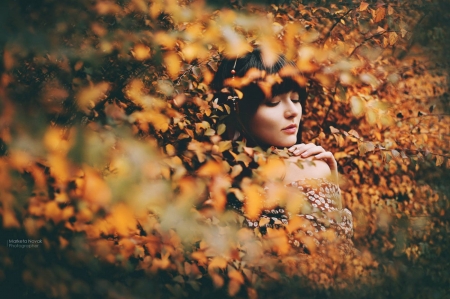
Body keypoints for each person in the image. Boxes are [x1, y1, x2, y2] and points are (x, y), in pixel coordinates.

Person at [211, 48, 354, 255]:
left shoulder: (311, 168)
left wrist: (331, 183)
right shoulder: (211, 175)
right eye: (273, 102)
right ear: (238, 111)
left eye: (296, 99)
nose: (293, 111)